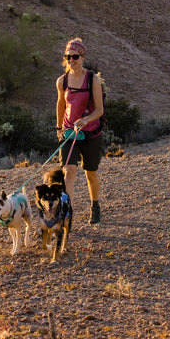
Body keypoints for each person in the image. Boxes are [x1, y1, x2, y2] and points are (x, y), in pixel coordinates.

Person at [56, 37, 104, 224]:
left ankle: (95, 205)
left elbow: (99, 110)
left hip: (90, 133)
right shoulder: (62, 81)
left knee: (90, 173)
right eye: (68, 57)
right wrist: (59, 127)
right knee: (69, 171)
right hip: (69, 133)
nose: (71, 60)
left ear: (82, 57)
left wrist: (85, 120)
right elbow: (60, 105)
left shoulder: (93, 80)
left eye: (75, 56)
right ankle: (67, 213)